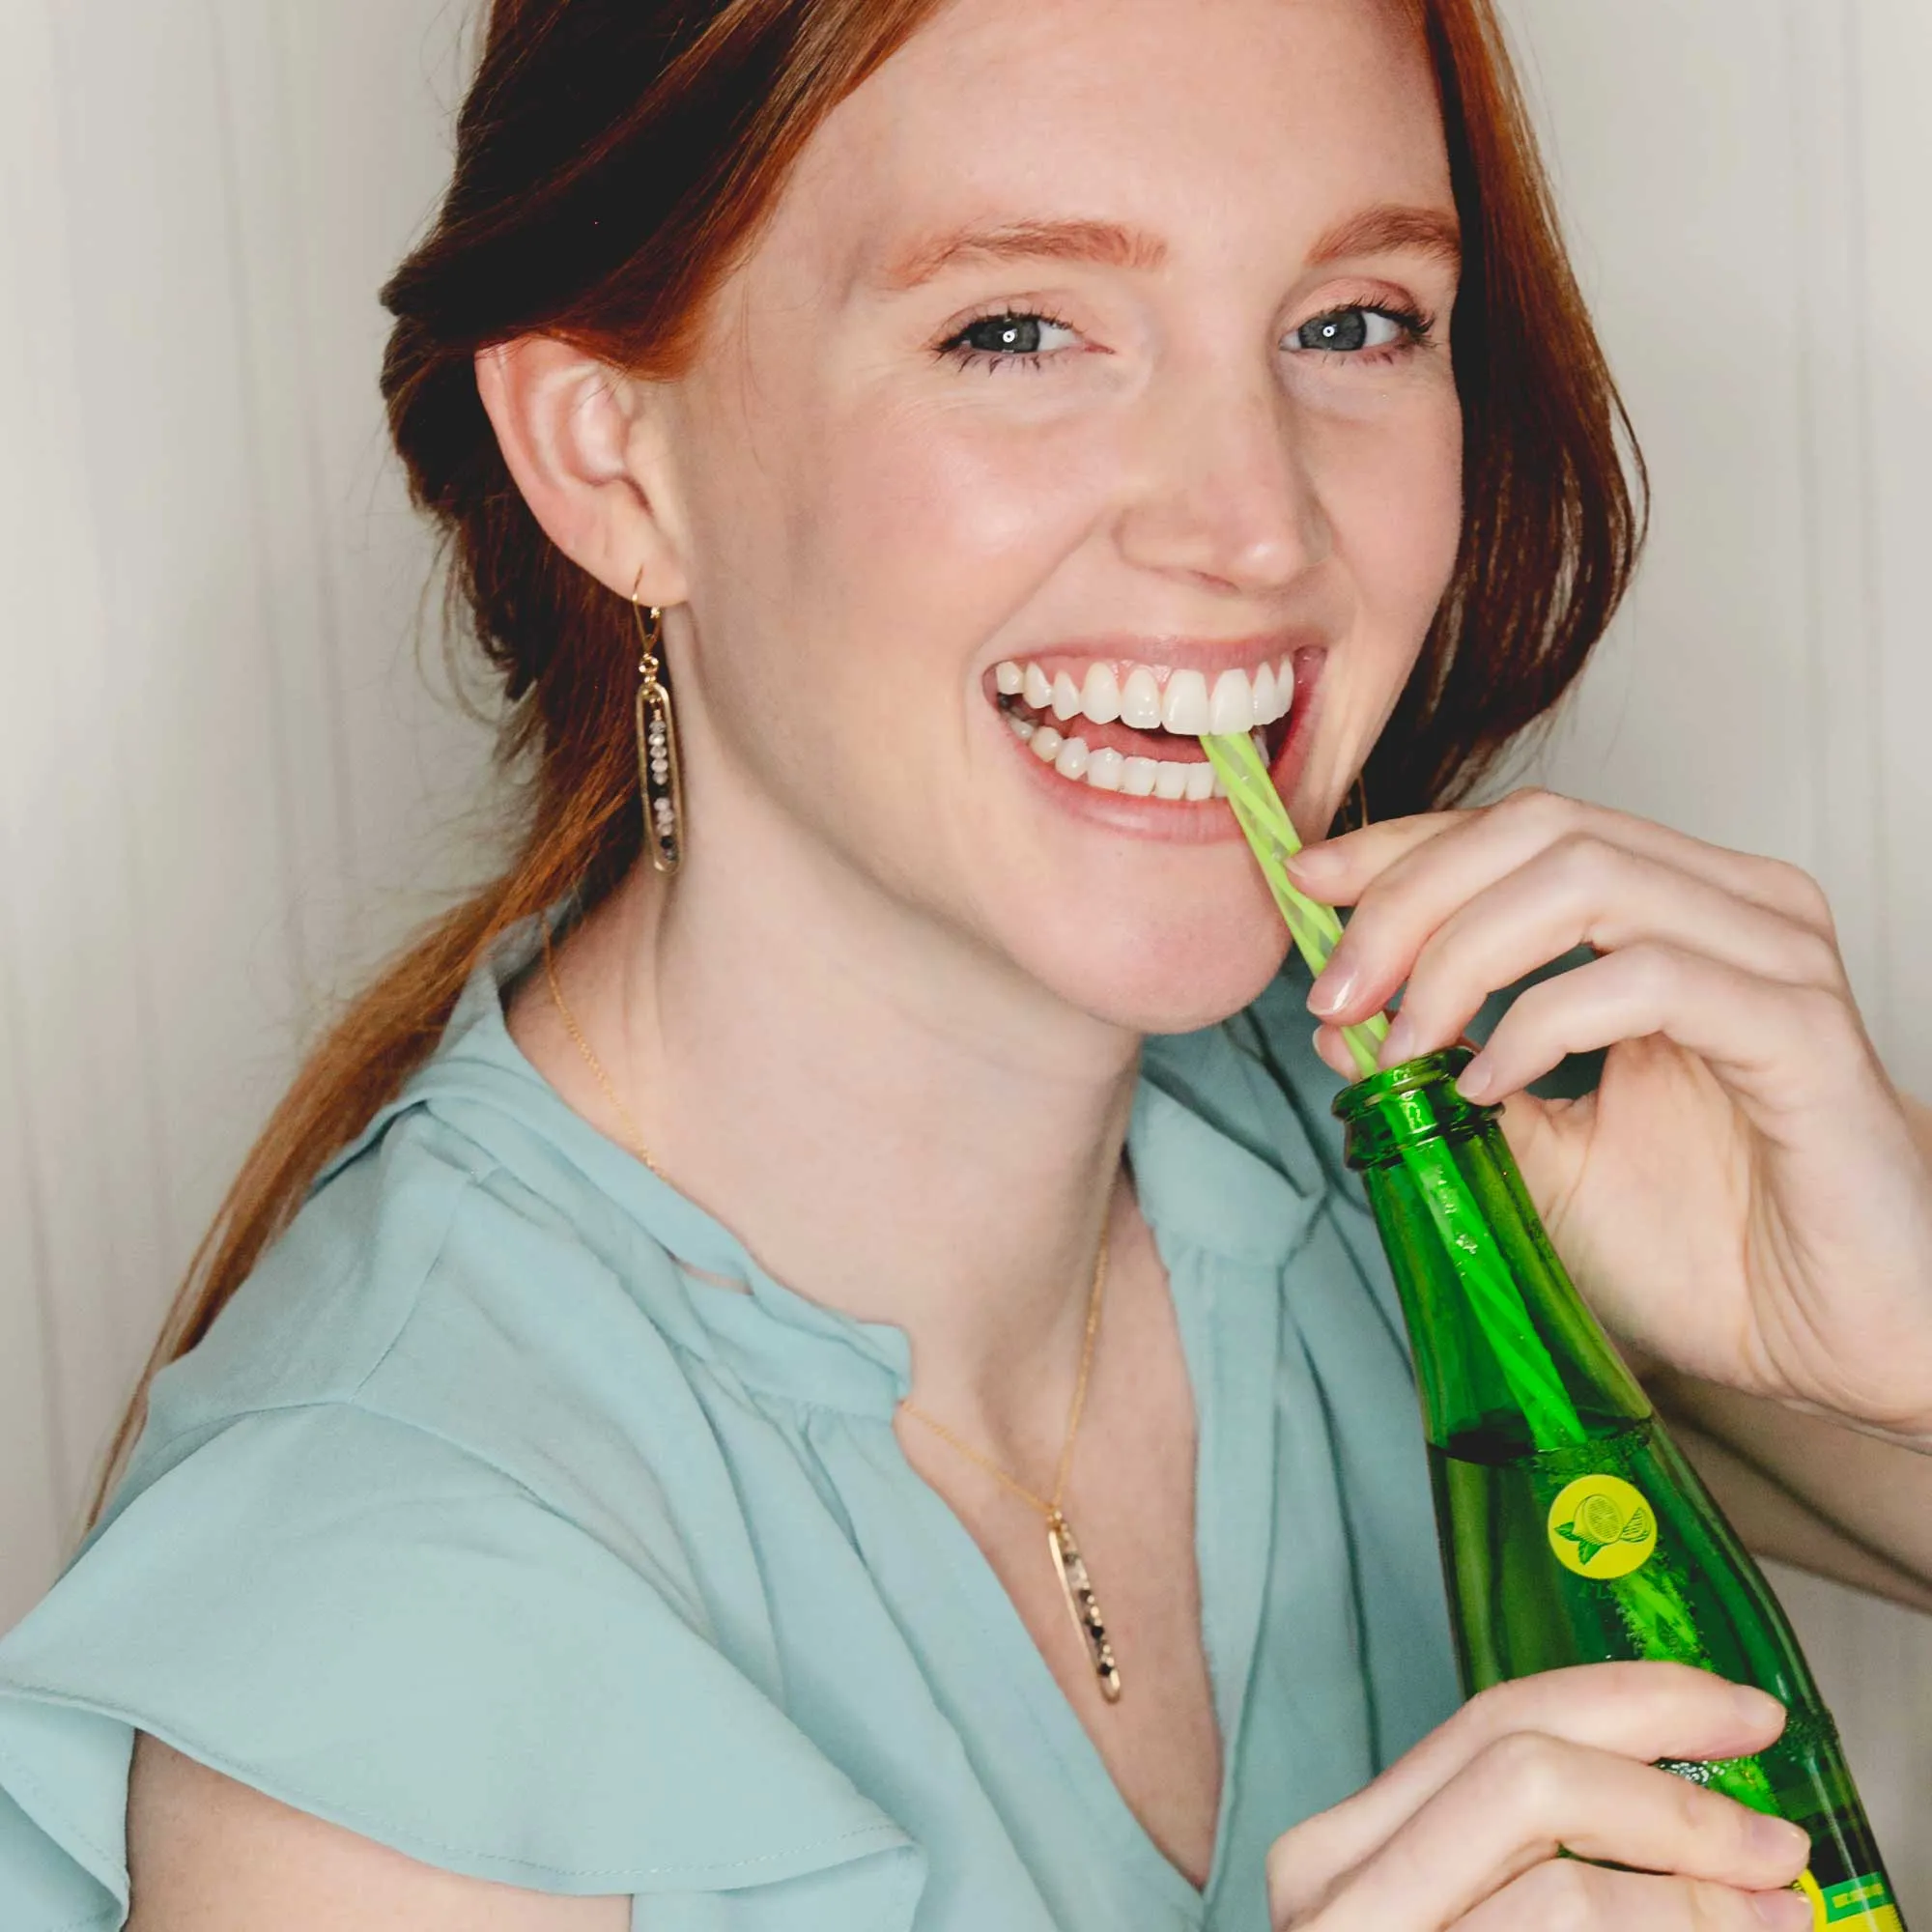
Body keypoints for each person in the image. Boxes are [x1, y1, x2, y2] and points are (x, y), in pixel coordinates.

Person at [3, 0, 1928, 1925]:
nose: (1257, 526)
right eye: (1014, 330)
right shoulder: (384, 1682)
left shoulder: (1404, 1133)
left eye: (1353, 322)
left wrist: (1894, 1340)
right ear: (613, 461)